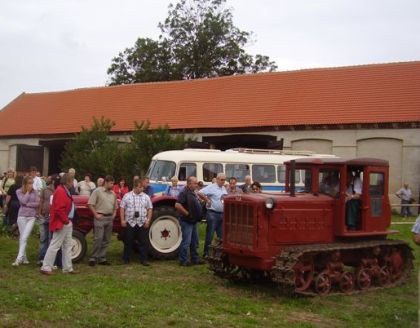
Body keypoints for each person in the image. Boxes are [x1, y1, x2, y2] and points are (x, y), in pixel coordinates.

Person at [40, 174, 78, 275]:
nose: (73, 183)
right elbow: (59, 209)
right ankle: (46, 267)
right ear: (68, 181)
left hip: (65, 221)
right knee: (55, 244)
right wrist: (66, 220)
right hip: (61, 222)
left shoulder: (63, 190)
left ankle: (67, 268)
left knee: (67, 245)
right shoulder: (61, 191)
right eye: (72, 181)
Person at [120, 178, 153, 265]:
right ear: (135, 187)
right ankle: (126, 259)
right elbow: (122, 208)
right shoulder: (127, 196)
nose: (142, 188)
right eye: (140, 187)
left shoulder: (146, 197)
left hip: (142, 222)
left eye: (142, 187)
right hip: (130, 222)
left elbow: (150, 209)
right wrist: (122, 220)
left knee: (143, 242)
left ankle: (144, 260)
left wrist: (148, 220)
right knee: (128, 241)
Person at [175, 176, 206, 266]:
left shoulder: (193, 192)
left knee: (195, 241)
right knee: (186, 241)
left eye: (196, 183)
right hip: (186, 221)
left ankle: (194, 259)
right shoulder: (183, 192)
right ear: (189, 183)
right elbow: (177, 205)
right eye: (195, 183)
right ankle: (183, 260)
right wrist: (187, 213)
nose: (197, 185)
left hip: (193, 221)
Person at [87, 175, 117, 266]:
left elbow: (115, 207)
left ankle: (102, 258)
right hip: (100, 217)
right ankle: (93, 257)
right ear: (106, 182)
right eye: (111, 183)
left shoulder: (113, 194)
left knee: (106, 239)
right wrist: (96, 214)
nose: (112, 185)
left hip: (109, 218)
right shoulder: (97, 191)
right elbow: (90, 204)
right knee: (98, 238)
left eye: (113, 183)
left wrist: (114, 215)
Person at [13, 176, 40, 266]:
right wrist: (28, 192)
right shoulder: (19, 191)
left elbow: (38, 203)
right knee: (22, 237)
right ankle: (24, 258)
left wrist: (28, 204)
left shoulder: (35, 192)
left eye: (32, 183)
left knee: (24, 237)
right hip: (21, 216)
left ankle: (18, 258)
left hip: (31, 217)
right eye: (29, 183)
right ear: (25, 184)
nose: (31, 185)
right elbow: (23, 201)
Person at [199, 173, 227, 258]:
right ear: (217, 179)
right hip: (213, 214)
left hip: (221, 214)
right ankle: (206, 253)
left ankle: (219, 254)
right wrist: (207, 200)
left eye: (224, 180)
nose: (223, 181)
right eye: (222, 180)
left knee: (221, 236)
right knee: (210, 235)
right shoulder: (211, 187)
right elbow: (200, 192)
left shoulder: (223, 188)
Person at [37, 175, 56, 265]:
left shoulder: (57, 191)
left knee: (50, 238)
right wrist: (39, 212)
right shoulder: (45, 190)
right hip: (44, 216)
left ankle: (48, 259)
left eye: (50, 179)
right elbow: (41, 201)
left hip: (52, 217)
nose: (48, 180)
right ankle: (41, 258)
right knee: (43, 238)